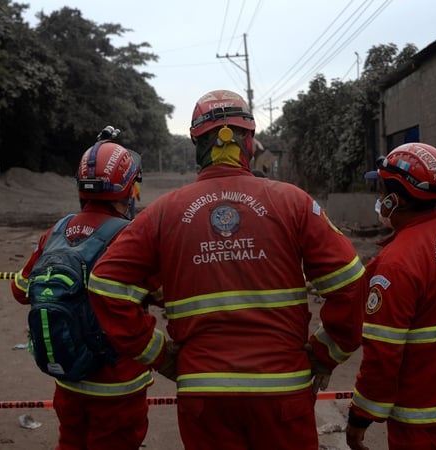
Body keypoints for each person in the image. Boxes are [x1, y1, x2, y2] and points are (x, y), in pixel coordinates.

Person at [88, 89, 367, 450]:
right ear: (248, 140)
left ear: (196, 143)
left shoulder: (163, 212)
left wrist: (159, 354)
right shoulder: (293, 202)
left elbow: (104, 283)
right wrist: (324, 353)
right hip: (283, 391)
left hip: (204, 394)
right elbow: (351, 283)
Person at [345, 142, 436, 450]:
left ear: (395, 200)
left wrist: (360, 418)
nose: (379, 198)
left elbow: (382, 355)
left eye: (381, 190)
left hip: (421, 416)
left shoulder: (396, 263)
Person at [11, 138, 154, 450]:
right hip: (118, 384)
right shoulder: (131, 237)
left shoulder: (57, 231)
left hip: (69, 376)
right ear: (128, 189)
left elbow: (20, 290)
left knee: (71, 443)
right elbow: (161, 293)